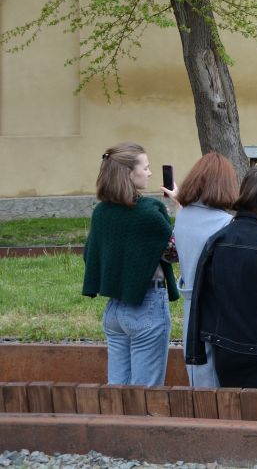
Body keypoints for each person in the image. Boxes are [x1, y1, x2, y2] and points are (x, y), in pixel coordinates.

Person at [82, 142, 177, 386]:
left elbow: (90, 255)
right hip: (146, 306)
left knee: (118, 394)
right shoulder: (148, 212)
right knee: (145, 396)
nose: (150, 173)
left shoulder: (101, 212)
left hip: (114, 311)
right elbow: (174, 253)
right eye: (145, 168)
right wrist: (180, 207)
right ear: (128, 173)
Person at [185, 167, 257, 388]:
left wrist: (196, 351)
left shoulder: (218, 239)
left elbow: (201, 298)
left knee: (235, 406)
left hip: (226, 350)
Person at [169, 152, 239, 387]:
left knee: (197, 375)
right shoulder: (226, 224)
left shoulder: (183, 216)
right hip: (215, 312)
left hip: (190, 308)